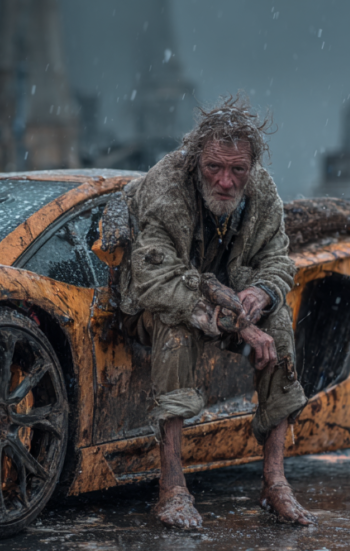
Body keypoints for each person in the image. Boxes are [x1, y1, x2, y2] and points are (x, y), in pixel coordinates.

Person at [117, 95, 315, 528]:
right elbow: (158, 279)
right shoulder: (167, 186)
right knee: (176, 325)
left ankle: (275, 481)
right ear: (196, 161)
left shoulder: (261, 192)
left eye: (237, 170)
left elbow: (278, 259)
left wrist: (261, 293)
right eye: (214, 168)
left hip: (229, 303)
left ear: (251, 168)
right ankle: (171, 488)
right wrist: (237, 323)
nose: (225, 180)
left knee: (279, 320)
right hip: (155, 305)